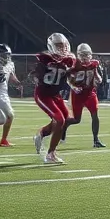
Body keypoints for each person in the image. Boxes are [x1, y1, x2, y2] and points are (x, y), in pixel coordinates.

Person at [32, 33, 75, 164]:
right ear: (51, 46)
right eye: (58, 45)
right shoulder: (44, 58)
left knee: (65, 118)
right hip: (43, 94)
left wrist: (74, 82)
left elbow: (69, 78)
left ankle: (41, 134)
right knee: (59, 119)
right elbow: (35, 74)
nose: (62, 48)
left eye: (63, 45)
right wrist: (40, 72)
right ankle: (50, 154)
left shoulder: (69, 59)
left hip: (56, 95)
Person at [64, 43, 106, 148]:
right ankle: (63, 126)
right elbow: (68, 79)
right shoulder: (75, 65)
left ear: (90, 55)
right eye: (82, 55)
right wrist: (74, 87)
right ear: (78, 55)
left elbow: (96, 74)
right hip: (77, 94)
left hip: (90, 93)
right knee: (76, 120)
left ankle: (96, 140)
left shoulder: (94, 64)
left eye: (86, 54)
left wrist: (98, 78)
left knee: (95, 115)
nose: (84, 57)